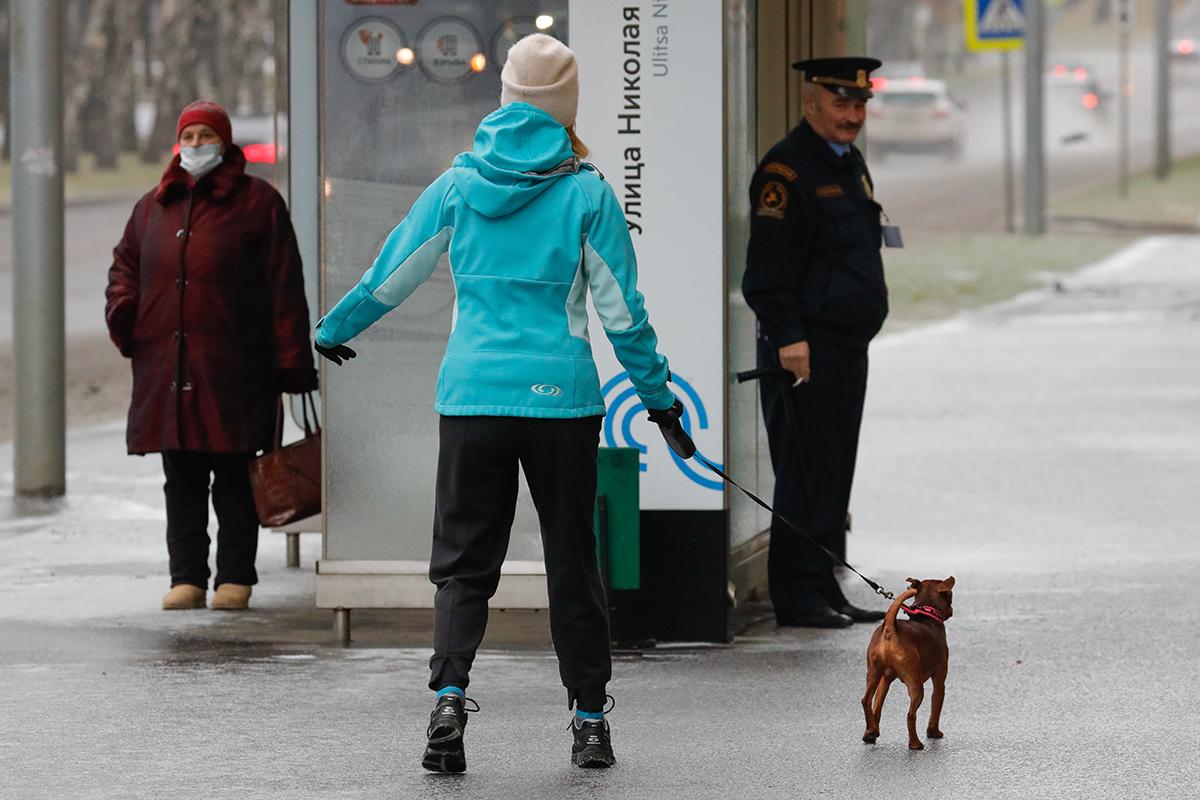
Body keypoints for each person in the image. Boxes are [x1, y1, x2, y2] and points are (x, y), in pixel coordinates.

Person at [315, 34, 686, 773]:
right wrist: (661, 402)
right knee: (573, 562)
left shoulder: (457, 185)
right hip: (562, 404)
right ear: (567, 109)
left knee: (462, 563)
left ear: (506, 100)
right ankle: (587, 722)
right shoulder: (587, 194)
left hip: (473, 398)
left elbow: (395, 269)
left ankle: (448, 701)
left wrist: (333, 329)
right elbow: (625, 317)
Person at [105, 100, 317, 612]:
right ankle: (187, 578)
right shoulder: (152, 206)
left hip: (236, 369)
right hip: (167, 368)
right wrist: (127, 314)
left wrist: (291, 363)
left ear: (224, 143)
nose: (197, 145)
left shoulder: (258, 203)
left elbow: (283, 286)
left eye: (206, 136)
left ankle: (235, 577)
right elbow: (124, 268)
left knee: (235, 477)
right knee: (181, 479)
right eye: (190, 136)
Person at [741, 57, 890, 629]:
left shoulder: (847, 163)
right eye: (840, 103)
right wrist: (789, 337)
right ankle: (796, 595)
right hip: (805, 348)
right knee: (804, 471)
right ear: (811, 103)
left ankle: (823, 585)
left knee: (833, 471)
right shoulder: (788, 171)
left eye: (859, 105)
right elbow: (768, 269)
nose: (851, 115)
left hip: (846, 345)